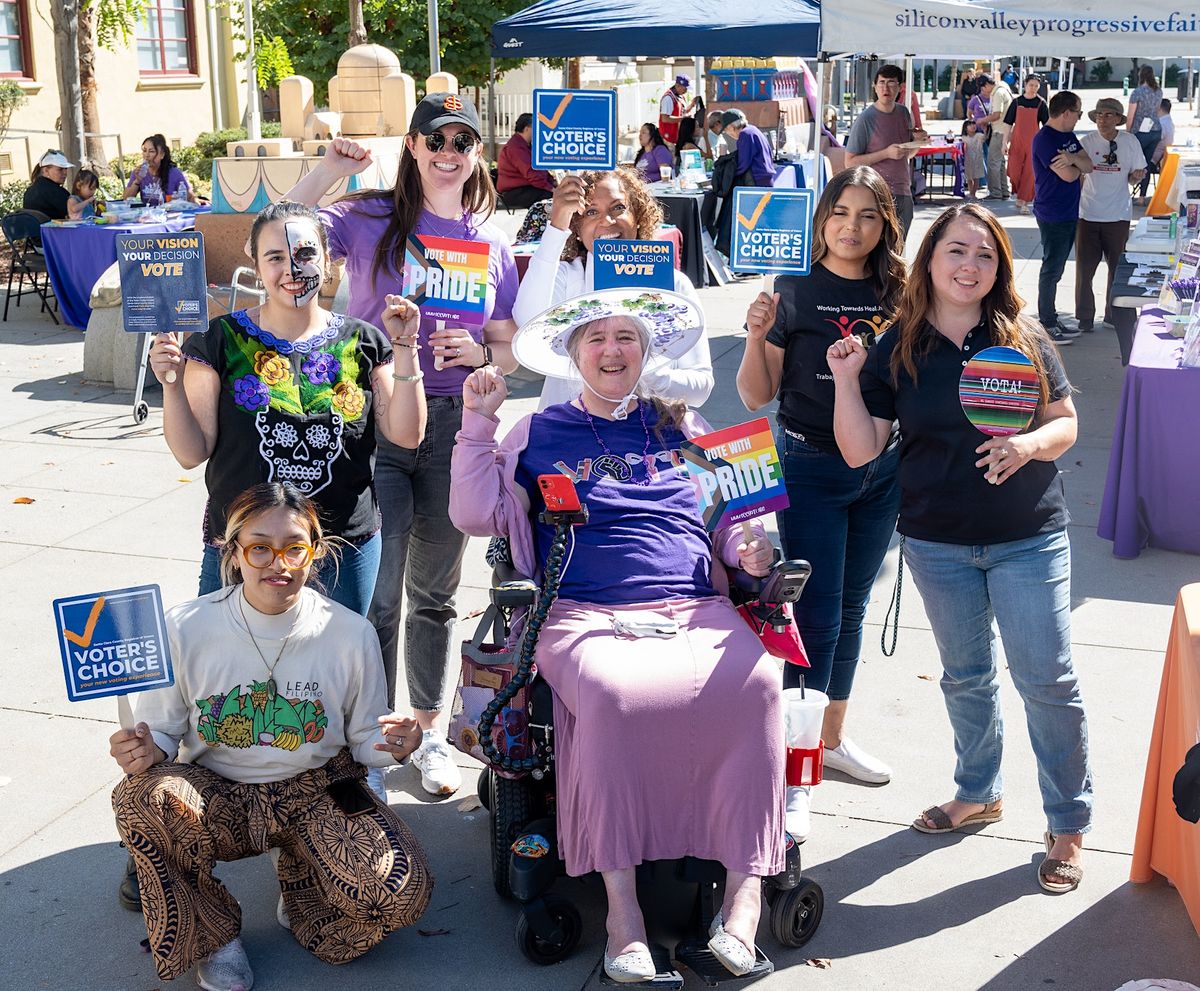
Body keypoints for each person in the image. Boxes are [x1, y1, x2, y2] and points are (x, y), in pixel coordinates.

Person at [450, 292, 785, 981]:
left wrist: (748, 546)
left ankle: (746, 898)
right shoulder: (538, 432)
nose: (612, 350)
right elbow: (475, 512)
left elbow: (730, 519)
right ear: (572, 356)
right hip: (581, 609)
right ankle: (623, 915)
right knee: (611, 693)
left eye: (626, 336)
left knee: (756, 681)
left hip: (693, 603)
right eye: (596, 338)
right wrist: (477, 425)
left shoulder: (685, 426)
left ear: (645, 349)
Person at [828, 202, 1093, 896]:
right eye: (956, 251)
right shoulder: (899, 345)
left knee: (1047, 680)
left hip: (1028, 536)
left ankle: (1067, 824)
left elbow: (1065, 422)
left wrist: (1028, 444)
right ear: (930, 260)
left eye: (984, 254)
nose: (969, 265)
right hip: (937, 541)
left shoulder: (1021, 335)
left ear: (998, 266)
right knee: (965, 675)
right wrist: (850, 379)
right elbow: (861, 449)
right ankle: (979, 789)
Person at [283, 92, 520, 798]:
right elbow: (287, 238)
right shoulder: (369, 216)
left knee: (436, 595)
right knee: (377, 595)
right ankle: (373, 740)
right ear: (412, 146)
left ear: (476, 152)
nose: (449, 149)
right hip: (373, 418)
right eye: (435, 137)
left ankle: (427, 732)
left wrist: (482, 349)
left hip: (455, 426)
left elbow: (507, 348)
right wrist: (326, 170)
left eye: (463, 139)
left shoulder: (490, 239)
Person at [109, 483, 434, 991]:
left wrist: (397, 743)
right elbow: (166, 732)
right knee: (141, 797)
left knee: (395, 895)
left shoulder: (349, 633)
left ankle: (306, 887)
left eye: (293, 548)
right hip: (218, 793)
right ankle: (213, 934)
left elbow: (367, 736)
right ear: (234, 552)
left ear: (316, 552)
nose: (276, 563)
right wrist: (147, 750)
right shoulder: (187, 625)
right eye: (259, 547)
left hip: (319, 790)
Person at [150, 199, 425, 615]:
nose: (292, 270)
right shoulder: (219, 341)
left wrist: (406, 347)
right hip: (244, 550)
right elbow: (190, 454)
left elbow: (407, 434)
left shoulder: (365, 342)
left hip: (340, 551)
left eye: (305, 254)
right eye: (275, 258)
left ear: (329, 261)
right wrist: (171, 384)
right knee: (235, 675)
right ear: (257, 268)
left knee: (334, 673)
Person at [736, 166, 905, 841]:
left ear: (885, 223)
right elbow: (754, 395)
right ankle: (794, 769)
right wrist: (754, 335)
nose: (852, 227)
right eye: (841, 212)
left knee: (853, 607)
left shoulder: (900, 290)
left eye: (868, 215)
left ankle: (828, 740)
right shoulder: (795, 288)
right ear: (822, 216)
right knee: (813, 615)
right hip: (809, 463)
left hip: (881, 469)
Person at [512, 166, 713, 411]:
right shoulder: (566, 277)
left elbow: (701, 388)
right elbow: (526, 320)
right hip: (571, 437)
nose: (606, 221)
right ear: (577, 228)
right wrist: (557, 226)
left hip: (650, 437)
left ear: (638, 216)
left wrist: (647, 374)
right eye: (591, 212)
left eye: (618, 208)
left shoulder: (673, 284)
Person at [1075, 98, 1145, 334]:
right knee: (1085, 270)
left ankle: (1114, 315)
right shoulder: (1086, 142)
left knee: (1117, 269)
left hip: (1118, 215)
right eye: (1099, 115)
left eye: (1107, 115)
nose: (1102, 120)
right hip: (1089, 214)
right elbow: (1077, 174)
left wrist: (1136, 176)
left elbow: (1136, 175)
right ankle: (1084, 317)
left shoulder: (1130, 141)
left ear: (1117, 119)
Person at [1031, 90, 1092, 345]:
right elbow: (1069, 176)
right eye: (1077, 113)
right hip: (1052, 212)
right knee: (1052, 269)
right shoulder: (1045, 139)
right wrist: (1075, 165)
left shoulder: (1068, 136)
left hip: (1069, 211)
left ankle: (1052, 318)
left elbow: (1088, 165)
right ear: (1066, 112)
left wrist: (1073, 160)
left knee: (1057, 268)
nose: (1079, 118)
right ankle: (1046, 323)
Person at [845, 63, 929, 235]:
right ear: (875, 87)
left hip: (903, 191)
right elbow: (850, 162)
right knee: (878, 249)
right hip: (875, 193)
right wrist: (885, 153)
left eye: (891, 83)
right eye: (882, 82)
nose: (886, 88)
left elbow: (907, 154)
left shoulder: (904, 113)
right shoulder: (866, 119)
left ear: (899, 87)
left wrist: (917, 142)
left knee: (898, 248)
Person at [1005, 75, 1049, 213]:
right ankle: (1019, 193)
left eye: (1036, 86)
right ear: (1025, 84)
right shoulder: (1016, 102)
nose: (1033, 88)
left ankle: (1025, 201)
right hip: (1017, 141)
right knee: (1014, 170)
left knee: (1030, 172)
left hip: (1033, 143)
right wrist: (1004, 143)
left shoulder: (1041, 103)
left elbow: (1047, 126)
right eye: (1031, 85)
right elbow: (1008, 124)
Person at [496, 112, 556, 209]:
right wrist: (552, 189)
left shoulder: (525, 146)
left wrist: (553, 182)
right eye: (536, 128)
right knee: (556, 199)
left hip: (526, 189)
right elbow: (531, 173)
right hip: (515, 193)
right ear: (527, 128)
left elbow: (539, 170)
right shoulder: (515, 147)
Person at [124, 134, 193, 204]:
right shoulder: (138, 172)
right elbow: (126, 199)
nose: (147, 155)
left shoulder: (174, 173)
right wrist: (137, 181)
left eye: (151, 151)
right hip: (147, 214)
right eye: (144, 151)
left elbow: (189, 197)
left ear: (162, 155)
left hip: (169, 213)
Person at [1126, 64, 1164, 185]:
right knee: (1146, 163)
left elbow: (1131, 115)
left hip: (1140, 130)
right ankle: (1142, 195)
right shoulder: (1158, 91)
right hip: (1156, 129)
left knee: (1134, 162)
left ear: (1140, 75)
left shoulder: (1137, 92)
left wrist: (1128, 132)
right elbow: (1157, 111)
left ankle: (1130, 186)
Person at [720, 109, 776, 188]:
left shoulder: (745, 134)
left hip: (757, 181)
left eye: (725, 130)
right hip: (765, 179)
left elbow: (743, 164)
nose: (727, 134)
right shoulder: (753, 130)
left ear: (731, 127)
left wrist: (726, 175)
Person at [984, 74, 1014, 200]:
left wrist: (982, 120)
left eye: (982, 89)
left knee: (993, 162)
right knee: (1000, 162)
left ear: (986, 85)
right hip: (1006, 131)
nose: (983, 92)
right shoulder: (1004, 89)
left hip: (999, 131)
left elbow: (997, 114)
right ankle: (1004, 190)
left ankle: (995, 192)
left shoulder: (997, 93)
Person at [22, 150, 72, 219]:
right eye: (60, 169)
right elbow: (75, 213)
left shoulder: (29, 191)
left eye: (66, 168)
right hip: (55, 229)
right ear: (46, 170)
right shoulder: (56, 192)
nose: (65, 173)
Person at [1143, 98, 1176, 201]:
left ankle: (1141, 196)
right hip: (1159, 157)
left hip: (1152, 158)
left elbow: (1145, 139)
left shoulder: (1160, 124)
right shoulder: (1168, 122)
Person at [659, 74, 697, 145]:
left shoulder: (680, 97)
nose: (686, 91)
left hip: (676, 138)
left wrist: (691, 105)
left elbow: (682, 112)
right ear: (678, 86)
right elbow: (665, 118)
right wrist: (683, 119)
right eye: (685, 88)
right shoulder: (668, 98)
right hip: (668, 139)